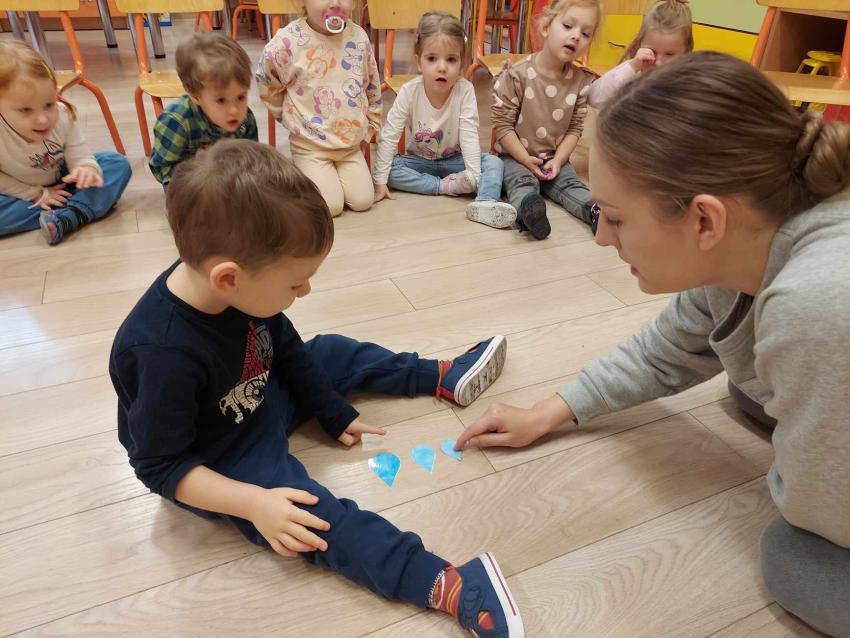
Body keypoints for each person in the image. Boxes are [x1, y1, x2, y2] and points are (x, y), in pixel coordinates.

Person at [456, 52, 850, 637]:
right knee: (746, 384)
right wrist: (549, 412)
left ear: (704, 221)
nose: (601, 238)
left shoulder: (816, 304)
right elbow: (668, 349)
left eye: (615, 218)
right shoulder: (748, 237)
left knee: (793, 558)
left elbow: (824, 513)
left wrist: (800, 473)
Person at [109, 139, 524, 638]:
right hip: (219, 458)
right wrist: (252, 504)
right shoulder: (160, 352)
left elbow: (283, 346)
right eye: (295, 284)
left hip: (255, 395)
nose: (305, 291)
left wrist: (331, 411)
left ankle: (441, 376)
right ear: (229, 279)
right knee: (309, 517)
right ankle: (444, 583)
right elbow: (160, 467)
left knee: (330, 351)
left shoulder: (233, 286)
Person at [372, 11, 516, 230]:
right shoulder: (410, 91)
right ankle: (444, 186)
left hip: (454, 160)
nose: (442, 67)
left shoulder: (465, 90)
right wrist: (380, 183)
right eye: (432, 59)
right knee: (387, 169)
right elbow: (390, 134)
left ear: (461, 63)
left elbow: (469, 135)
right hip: (419, 161)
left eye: (451, 59)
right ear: (419, 62)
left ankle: (485, 201)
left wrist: (474, 177)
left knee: (494, 163)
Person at [257, 0, 381, 217]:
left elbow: (371, 84)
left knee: (363, 201)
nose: (335, 3)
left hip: (349, 146)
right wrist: (286, 116)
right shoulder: (288, 41)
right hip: (310, 147)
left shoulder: (359, 37)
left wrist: (371, 126)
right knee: (331, 207)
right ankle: (300, 171)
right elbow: (266, 80)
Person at [0, 41, 131, 244]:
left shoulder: (62, 114)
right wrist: (36, 194)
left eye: (49, 104)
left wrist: (86, 168)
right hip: (21, 192)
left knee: (117, 164)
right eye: (26, 110)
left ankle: (68, 216)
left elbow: (79, 153)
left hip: (64, 181)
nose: (43, 119)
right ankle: (76, 210)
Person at [491, 0, 601, 240]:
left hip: (555, 158)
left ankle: (595, 212)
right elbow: (502, 126)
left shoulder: (580, 82)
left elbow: (575, 129)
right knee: (522, 183)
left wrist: (559, 160)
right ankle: (529, 213)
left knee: (571, 185)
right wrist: (524, 158)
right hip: (515, 157)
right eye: (568, 26)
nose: (576, 36)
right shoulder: (518, 75)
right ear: (545, 27)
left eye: (585, 34)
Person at [149, 32, 258, 187]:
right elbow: (162, 169)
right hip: (190, 184)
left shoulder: (246, 119)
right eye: (221, 100)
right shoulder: (175, 122)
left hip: (229, 180)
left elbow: (252, 159)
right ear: (195, 96)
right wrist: (199, 166)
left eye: (241, 97)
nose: (234, 110)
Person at [587, 0, 693, 109]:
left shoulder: (688, 84)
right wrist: (632, 67)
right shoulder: (633, 72)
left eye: (669, 54)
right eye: (652, 51)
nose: (658, 63)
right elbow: (594, 99)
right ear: (640, 44)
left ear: (687, 53)